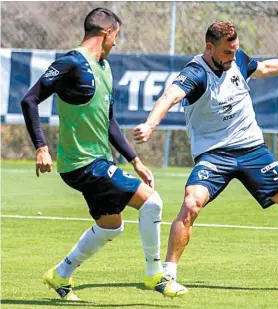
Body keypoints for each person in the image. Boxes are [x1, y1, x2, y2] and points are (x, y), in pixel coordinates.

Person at [133, 21, 278, 293]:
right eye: (227, 52)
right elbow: (170, 96)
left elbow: (268, 68)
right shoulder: (195, 73)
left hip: (252, 150)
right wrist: (151, 124)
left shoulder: (238, 60)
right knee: (191, 204)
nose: (233, 57)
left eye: (235, 50)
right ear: (210, 48)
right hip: (214, 155)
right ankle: (167, 273)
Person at [20, 8, 188, 300]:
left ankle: (60, 275)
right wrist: (41, 146)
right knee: (152, 203)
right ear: (107, 32)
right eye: (116, 36)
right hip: (83, 164)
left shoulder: (106, 69)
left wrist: (135, 160)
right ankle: (156, 276)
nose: (116, 43)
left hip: (98, 162)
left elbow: (109, 122)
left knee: (111, 226)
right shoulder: (71, 62)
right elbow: (29, 99)